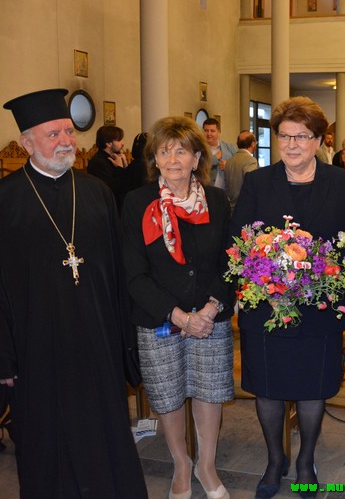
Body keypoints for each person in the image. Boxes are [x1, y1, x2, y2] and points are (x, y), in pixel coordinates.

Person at [0, 88, 147, 498]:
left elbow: (117, 272)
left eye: (67, 131)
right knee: (46, 438)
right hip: (35, 346)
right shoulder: (1, 202)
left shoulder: (95, 191)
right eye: (52, 134)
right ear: (27, 142)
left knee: (103, 430)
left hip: (95, 338)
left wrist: (123, 339)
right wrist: (1, 355)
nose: (65, 141)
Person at [230, 96, 345, 499]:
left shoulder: (341, 182)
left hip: (320, 306)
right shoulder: (257, 181)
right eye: (284, 136)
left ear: (319, 139)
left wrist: (324, 269)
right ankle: (274, 459)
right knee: (268, 388)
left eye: (301, 136)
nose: (291, 144)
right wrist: (267, 272)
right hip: (268, 304)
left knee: (312, 389)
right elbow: (241, 241)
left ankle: (305, 459)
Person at [122, 116, 234, 499]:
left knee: (208, 391)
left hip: (210, 317)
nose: (172, 158)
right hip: (159, 319)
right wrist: (178, 315)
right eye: (165, 150)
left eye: (181, 150)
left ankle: (206, 465)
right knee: (168, 395)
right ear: (155, 157)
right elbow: (133, 273)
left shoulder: (218, 202)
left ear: (197, 156)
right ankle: (181, 464)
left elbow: (230, 262)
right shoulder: (137, 202)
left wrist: (208, 310)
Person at [87, 124, 129, 211]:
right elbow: (114, 188)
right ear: (108, 144)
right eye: (119, 140)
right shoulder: (99, 162)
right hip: (106, 208)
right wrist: (120, 168)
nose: (123, 143)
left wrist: (125, 165)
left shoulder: (115, 157)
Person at [224, 130, 259, 210]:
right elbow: (252, 185)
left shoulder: (229, 161)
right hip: (246, 207)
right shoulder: (251, 160)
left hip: (231, 207)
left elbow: (226, 186)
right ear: (253, 144)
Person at [203, 118, 237, 190]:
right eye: (206, 131)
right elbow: (201, 165)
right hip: (206, 192)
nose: (209, 134)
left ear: (219, 132)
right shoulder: (199, 149)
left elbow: (237, 167)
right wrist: (216, 157)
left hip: (226, 192)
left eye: (212, 131)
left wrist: (228, 166)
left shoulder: (229, 148)